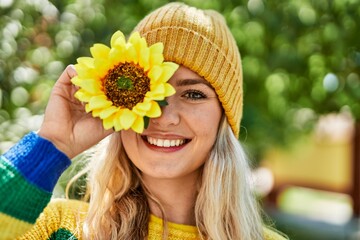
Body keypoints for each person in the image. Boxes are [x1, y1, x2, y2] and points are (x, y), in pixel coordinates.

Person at [0, 2, 286, 240]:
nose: (164, 115)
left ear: (225, 118)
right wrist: (52, 145)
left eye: (194, 94)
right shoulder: (59, 227)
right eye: (147, 90)